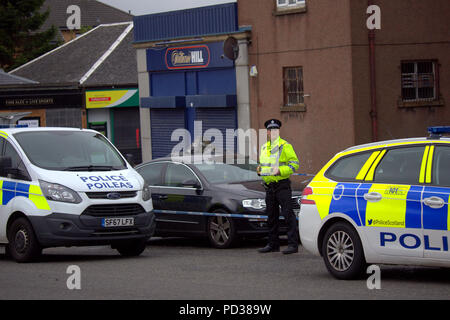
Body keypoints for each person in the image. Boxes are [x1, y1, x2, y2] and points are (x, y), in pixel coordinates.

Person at [257, 119, 300, 254]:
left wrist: (281, 171)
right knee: (271, 216)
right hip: (269, 186)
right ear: (268, 133)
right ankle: (273, 244)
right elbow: (263, 165)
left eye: (275, 129)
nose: (273, 132)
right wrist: (259, 170)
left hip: (282, 185)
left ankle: (293, 245)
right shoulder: (264, 147)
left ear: (278, 131)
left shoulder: (285, 146)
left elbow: (294, 164)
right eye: (270, 130)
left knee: (288, 214)